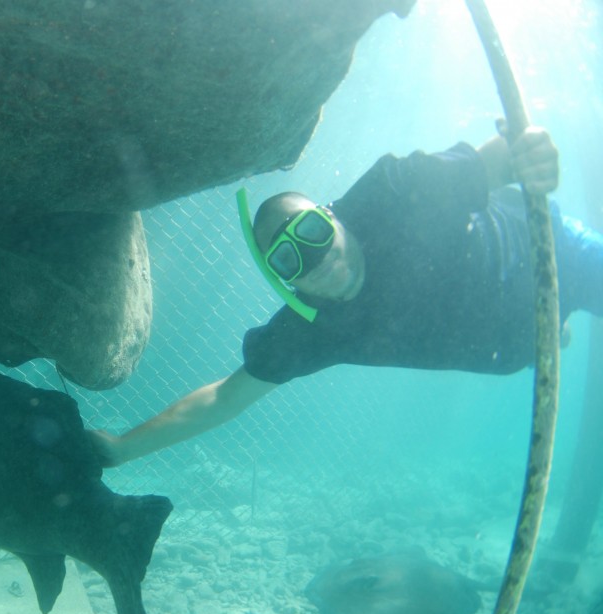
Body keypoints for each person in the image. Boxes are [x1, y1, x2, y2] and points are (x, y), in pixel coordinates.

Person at [91, 126, 603, 467]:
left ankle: (555, 325)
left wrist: (529, 151)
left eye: (311, 231)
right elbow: (223, 398)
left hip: (557, 256)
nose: (316, 261)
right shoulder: (312, 328)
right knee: (543, 336)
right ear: (283, 282)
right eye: (290, 260)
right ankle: (551, 331)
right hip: (520, 346)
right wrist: (119, 449)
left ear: (332, 214)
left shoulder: (395, 191)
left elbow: (501, 155)